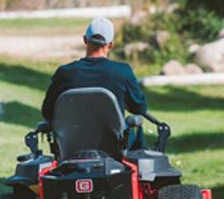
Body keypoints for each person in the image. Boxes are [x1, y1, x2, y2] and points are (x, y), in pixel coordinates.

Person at [41, 17, 148, 149]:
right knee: (136, 128)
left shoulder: (64, 73)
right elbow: (140, 108)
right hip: (114, 146)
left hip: (71, 146)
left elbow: (47, 112)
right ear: (110, 45)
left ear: (85, 40)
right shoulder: (122, 72)